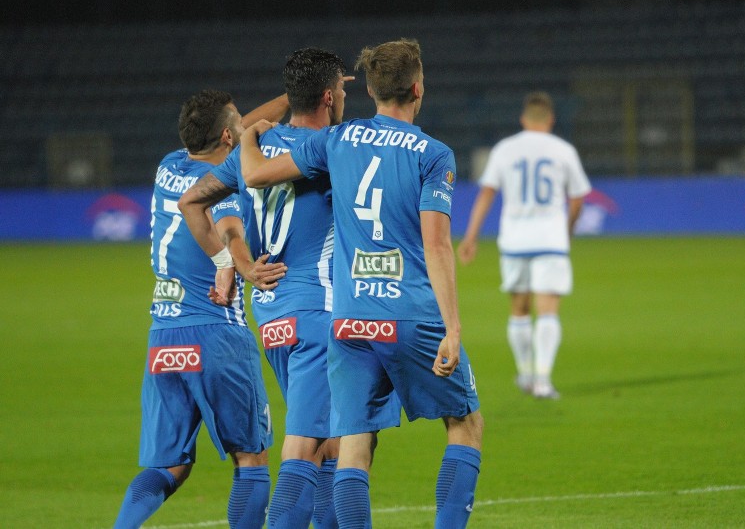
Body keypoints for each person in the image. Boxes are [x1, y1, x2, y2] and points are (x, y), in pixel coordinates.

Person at [240, 38, 484, 529]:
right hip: (411, 314)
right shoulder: (434, 155)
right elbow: (436, 246)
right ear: (418, 88)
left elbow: (257, 175)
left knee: (352, 447)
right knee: (465, 424)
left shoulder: (339, 140)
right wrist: (452, 328)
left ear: (371, 89)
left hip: (349, 319)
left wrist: (247, 136)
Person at [178, 47, 351, 529]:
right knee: (305, 449)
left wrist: (233, 264)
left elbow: (191, 202)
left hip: (272, 315)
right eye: (339, 89)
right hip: (317, 311)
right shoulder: (331, 147)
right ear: (327, 97)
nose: (343, 96)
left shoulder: (255, 149)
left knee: (330, 444)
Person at [114, 89, 288, 529]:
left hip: (164, 338)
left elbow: (245, 124)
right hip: (216, 334)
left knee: (170, 466)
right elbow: (231, 231)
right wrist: (240, 267)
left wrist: (290, 96)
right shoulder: (225, 181)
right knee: (251, 457)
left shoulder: (170, 165)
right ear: (229, 137)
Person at [457, 91, 591, 400]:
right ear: (551, 120)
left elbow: (486, 194)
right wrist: (567, 229)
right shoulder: (563, 150)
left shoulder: (506, 149)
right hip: (550, 240)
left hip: (515, 240)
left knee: (518, 309)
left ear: (523, 120)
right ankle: (543, 380)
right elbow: (578, 198)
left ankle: (526, 374)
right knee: (548, 311)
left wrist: (471, 236)